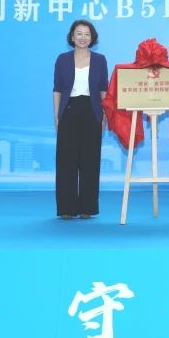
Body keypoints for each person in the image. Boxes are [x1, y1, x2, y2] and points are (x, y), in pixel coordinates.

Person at [53, 19, 108, 220]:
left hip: (92, 110)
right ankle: (67, 208)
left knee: (90, 159)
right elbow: (57, 90)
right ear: (72, 37)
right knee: (66, 160)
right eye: (79, 33)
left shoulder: (100, 60)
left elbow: (104, 90)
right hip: (68, 110)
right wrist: (57, 116)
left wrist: (104, 115)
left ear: (92, 38)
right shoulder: (62, 59)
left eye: (87, 34)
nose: (83, 37)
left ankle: (88, 207)